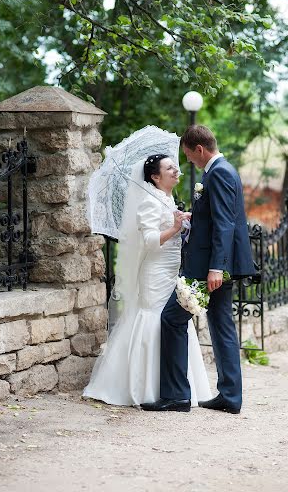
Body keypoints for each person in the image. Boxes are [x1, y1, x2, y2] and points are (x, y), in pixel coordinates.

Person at [141, 125, 256, 414]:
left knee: (171, 319)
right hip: (215, 265)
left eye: (189, 156)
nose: (189, 162)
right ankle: (229, 396)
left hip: (210, 267)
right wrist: (196, 217)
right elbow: (216, 217)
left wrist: (216, 267)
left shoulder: (219, 173)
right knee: (221, 326)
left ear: (200, 150)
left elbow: (225, 224)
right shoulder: (220, 171)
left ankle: (177, 396)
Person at [83, 153, 211, 408]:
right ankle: (147, 387)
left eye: (175, 166)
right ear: (155, 176)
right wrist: (175, 228)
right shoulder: (148, 202)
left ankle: (179, 387)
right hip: (155, 272)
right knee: (154, 317)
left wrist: (183, 223)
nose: (176, 170)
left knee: (173, 322)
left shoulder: (165, 198)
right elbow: (150, 241)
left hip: (171, 270)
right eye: (169, 168)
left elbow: (172, 234)